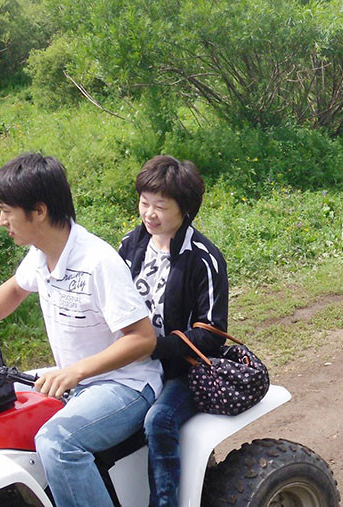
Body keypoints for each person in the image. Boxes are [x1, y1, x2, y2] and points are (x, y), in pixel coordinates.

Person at [0, 153, 162, 507]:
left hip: (126, 385)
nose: (1, 221)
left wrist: (76, 371)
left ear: (39, 211)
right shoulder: (41, 254)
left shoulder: (97, 262)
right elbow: (14, 289)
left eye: (6, 210)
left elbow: (142, 339)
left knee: (58, 442)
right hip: (77, 381)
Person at [117, 155, 229, 507]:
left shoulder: (203, 258)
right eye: (144, 203)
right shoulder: (129, 246)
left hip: (181, 372)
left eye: (161, 207)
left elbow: (213, 334)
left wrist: (154, 348)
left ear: (185, 210)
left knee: (158, 421)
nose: (149, 214)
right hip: (129, 364)